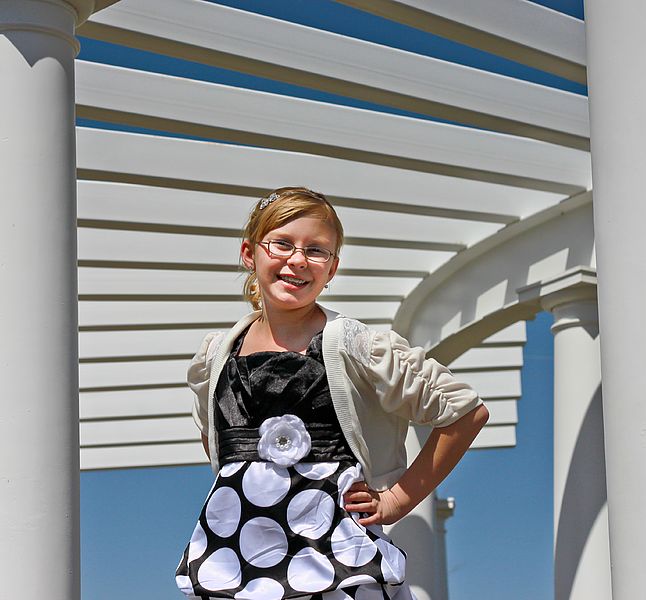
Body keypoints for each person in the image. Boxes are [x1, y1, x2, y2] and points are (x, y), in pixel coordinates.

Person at [175, 186, 489, 600]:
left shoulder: (354, 345)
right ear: (250, 254)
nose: (297, 260)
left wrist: (396, 499)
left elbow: (465, 413)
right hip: (236, 556)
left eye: (316, 250)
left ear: (332, 268)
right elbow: (215, 439)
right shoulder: (216, 356)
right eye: (282, 244)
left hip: (337, 553)